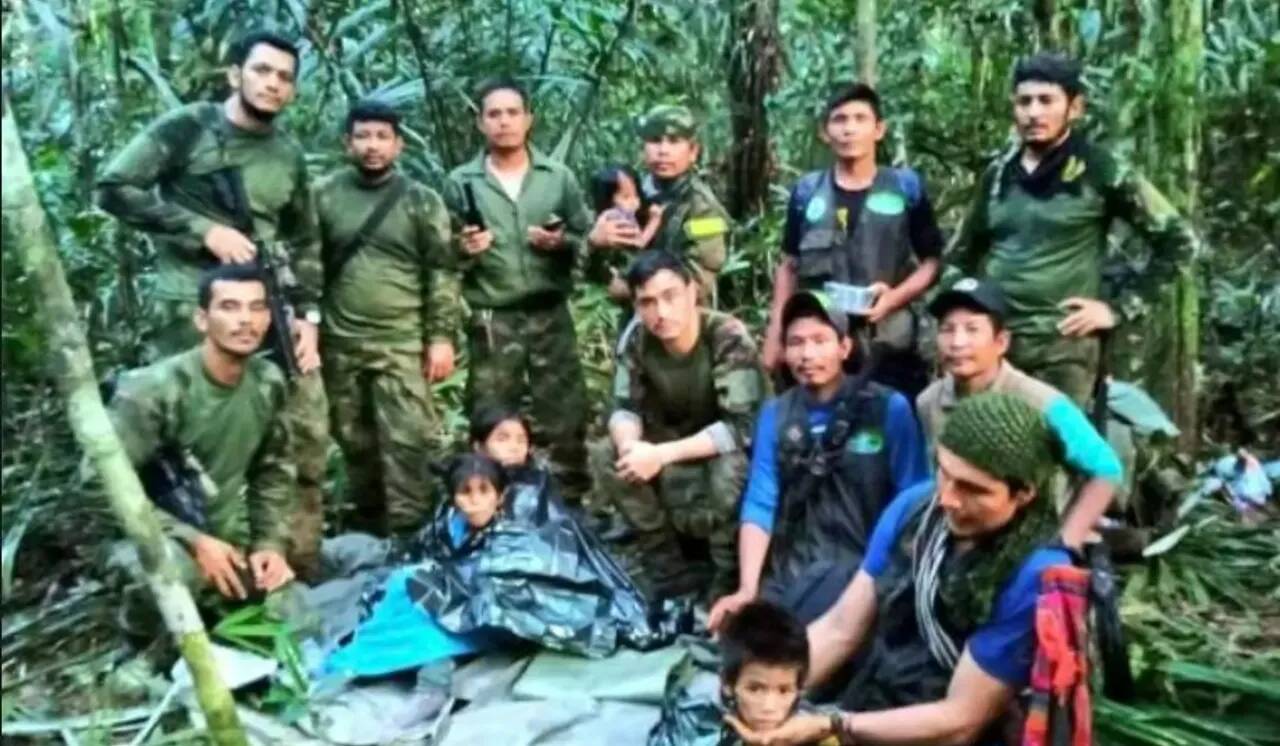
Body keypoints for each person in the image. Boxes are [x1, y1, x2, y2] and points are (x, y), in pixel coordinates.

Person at [96, 29, 329, 579]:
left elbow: (305, 241)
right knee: (187, 439)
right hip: (190, 309)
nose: (272, 84)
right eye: (262, 71)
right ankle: (188, 561)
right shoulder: (188, 129)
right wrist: (202, 230)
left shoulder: (287, 155)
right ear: (235, 75)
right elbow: (114, 187)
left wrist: (309, 317)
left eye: (284, 78)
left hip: (268, 309)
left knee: (296, 430)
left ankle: (286, 559)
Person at [727, 393, 1077, 746]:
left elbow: (961, 720)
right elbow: (841, 629)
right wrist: (761, 690)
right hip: (878, 698)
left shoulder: (1035, 576)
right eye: (945, 472)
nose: (948, 499)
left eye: (973, 489)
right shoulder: (914, 509)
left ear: (1024, 493)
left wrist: (832, 724)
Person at [952, 52, 1198, 408]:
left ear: (1075, 107)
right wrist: (962, 322)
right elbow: (958, 256)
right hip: (997, 347)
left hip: (1064, 348)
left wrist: (1117, 309)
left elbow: (1180, 243)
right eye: (1024, 102)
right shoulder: (997, 175)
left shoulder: (1102, 169)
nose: (1034, 112)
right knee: (987, 452)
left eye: (1046, 101)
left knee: (1057, 456)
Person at [709, 290, 928, 631]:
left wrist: (892, 575)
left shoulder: (888, 408)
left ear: (844, 347)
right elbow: (760, 502)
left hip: (866, 570)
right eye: (795, 342)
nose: (807, 354)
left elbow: (913, 499)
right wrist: (747, 588)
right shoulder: (776, 414)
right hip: (794, 570)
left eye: (820, 340)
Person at [108, 265, 296, 615]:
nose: (245, 320)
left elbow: (273, 471)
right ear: (201, 319)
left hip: (225, 533)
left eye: (257, 308)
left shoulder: (268, 381)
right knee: (168, 574)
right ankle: (144, 657)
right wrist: (192, 541)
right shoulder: (153, 392)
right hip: (154, 534)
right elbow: (101, 489)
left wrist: (269, 545)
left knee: (295, 616)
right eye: (229, 307)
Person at [314, 100, 461, 538]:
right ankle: (370, 531)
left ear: (398, 145)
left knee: (408, 444)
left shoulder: (420, 201)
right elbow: (305, 264)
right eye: (363, 136)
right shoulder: (322, 195)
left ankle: (412, 534)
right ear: (347, 143)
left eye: (382, 137)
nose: (372, 146)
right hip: (340, 342)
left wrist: (441, 337)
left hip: (402, 341)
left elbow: (442, 270)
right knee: (356, 443)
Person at [442, 77, 594, 502]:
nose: (504, 122)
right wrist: (465, 248)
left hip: (549, 311)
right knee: (491, 409)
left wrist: (559, 243)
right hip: (493, 315)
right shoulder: (460, 182)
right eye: (494, 114)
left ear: (529, 119)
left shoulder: (556, 178)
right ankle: (492, 500)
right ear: (480, 122)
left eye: (513, 113)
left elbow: (588, 240)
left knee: (564, 410)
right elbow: (443, 254)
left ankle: (568, 504)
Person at [591, 250, 766, 600]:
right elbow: (624, 408)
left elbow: (742, 426)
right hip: (668, 441)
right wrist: (630, 449)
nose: (661, 313)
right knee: (605, 452)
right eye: (647, 303)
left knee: (732, 467)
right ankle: (667, 567)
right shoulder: (638, 339)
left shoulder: (726, 336)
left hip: (720, 446)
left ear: (692, 292)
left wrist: (660, 455)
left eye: (670, 296)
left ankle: (727, 575)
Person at [762, 83, 944, 400]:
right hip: (821, 345)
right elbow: (789, 265)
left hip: (889, 342)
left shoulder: (905, 188)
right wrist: (776, 331)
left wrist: (894, 297)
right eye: (840, 119)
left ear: (879, 129)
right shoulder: (807, 192)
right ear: (825, 131)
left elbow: (932, 262)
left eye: (860, 119)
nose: (849, 129)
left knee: (890, 428)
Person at [918, 277, 1123, 547]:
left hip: (1030, 540)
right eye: (947, 330)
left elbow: (1106, 469)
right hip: (962, 533)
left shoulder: (1041, 402)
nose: (957, 342)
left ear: (1001, 342)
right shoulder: (929, 401)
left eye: (972, 329)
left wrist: (1068, 540)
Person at [589, 104, 732, 303]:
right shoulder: (632, 193)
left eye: (674, 142)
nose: (663, 150)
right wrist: (594, 244)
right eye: (655, 141)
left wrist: (629, 289)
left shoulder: (703, 210)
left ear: (692, 152)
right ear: (643, 149)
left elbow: (697, 283)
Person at [589, 164, 664, 302]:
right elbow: (639, 242)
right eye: (626, 197)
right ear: (609, 199)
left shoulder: (608, 216)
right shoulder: (617, 218)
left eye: (636, 196)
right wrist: (655, 221)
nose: (635, 202)